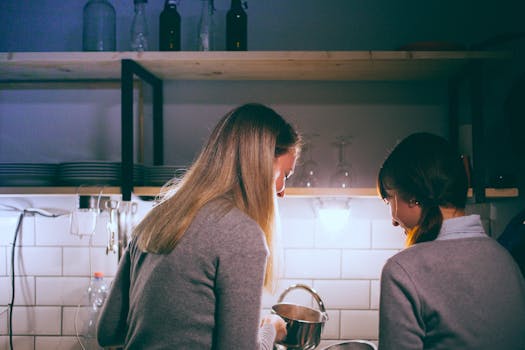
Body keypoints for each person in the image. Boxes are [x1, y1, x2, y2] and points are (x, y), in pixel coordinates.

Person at [97, 103, 301, 349]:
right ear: (260, 166)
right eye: (284, 177)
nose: (282, 193)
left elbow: (107, 332)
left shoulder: (156, 219)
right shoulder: (241, 234)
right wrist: (271, 329)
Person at [377, 132, 525, 350]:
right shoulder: (505, 259)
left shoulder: (402, 270)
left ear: (413, 197)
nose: (393, 221)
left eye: (388, 198)